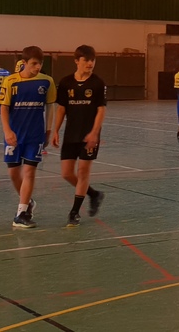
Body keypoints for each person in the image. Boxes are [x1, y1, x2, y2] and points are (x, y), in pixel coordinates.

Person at [51, 45, 107, 227]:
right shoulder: (66, 83)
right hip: (71, 134)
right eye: (86, 60)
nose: (90, 63)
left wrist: (94, 133)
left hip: (89, 136)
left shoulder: (98, 83)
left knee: (83, 172)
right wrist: (55, 130)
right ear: (77, 61)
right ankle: (93, 194)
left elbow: (101, 110)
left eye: (92, 60)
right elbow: (61, 109)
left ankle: (74, 212)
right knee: (67, 173)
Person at [1, 47, 55, 229]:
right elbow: (4, 108)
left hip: (35, 135)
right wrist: (7, 131)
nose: (38, 67)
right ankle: (28, 202)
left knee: (29, 171)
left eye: (40, 63)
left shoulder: (47, 81)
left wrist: (48, 130)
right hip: (15, 134)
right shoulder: (10, 81)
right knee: (13, 173)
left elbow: (50, 107)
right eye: (34, 63)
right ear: (24, 63)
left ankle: (21, 213)